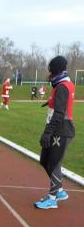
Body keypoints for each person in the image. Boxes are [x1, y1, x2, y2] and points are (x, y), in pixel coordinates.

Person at [34, 56, 76, 210]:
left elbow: (59, 114)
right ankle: (60, 191)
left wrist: (47, 133)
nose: (49, 72)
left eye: (51, 68)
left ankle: (52, 199)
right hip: (58, 128)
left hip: (61, 130)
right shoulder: (61, 84)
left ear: (56, 69)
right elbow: (60, 104)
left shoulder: (63, 86)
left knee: (53, 162)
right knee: (45, 160)